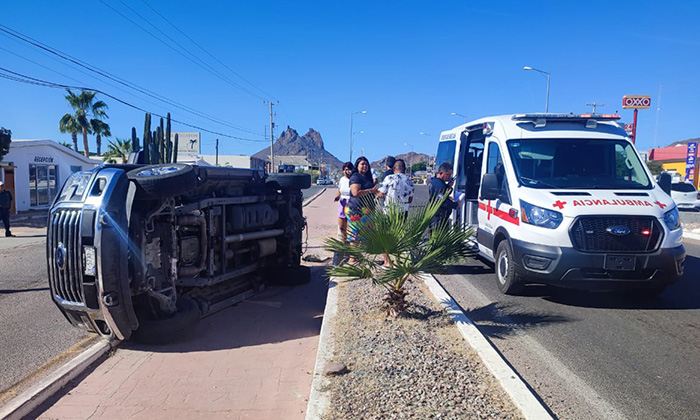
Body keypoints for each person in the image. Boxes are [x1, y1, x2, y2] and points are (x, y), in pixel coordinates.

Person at [345, 156, 378, 259]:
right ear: (357, 165)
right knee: (355, 235)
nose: (364, 166)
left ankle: (359, 257)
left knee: (364, 236)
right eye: (362, 164)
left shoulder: (367, 177)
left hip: (367, 211)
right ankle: (352, 258)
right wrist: (371, 191)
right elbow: (355, 193)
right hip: (356, 211)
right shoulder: (355, 177)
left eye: (366, 164)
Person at [428, 162, 459, 229]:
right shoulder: (439, 185)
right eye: (448, 174)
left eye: (450, 175)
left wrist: (449, 186)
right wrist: (455, 204)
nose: (449, 177)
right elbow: (443, 202)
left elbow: (442, 194)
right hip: (438, 217)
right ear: (441, 173)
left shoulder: (436, 182)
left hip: (437, 216)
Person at [334, 162, 354, 243]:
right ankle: (344, 244)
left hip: (351, 204)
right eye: (345, 170)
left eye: (349, 169)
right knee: (342, 226)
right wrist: (337, 196)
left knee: (352, 227)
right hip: (342, 203)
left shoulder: (354, 179)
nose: (347, 171)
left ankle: (352, 245)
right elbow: (339, 190)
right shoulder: (342, 179)